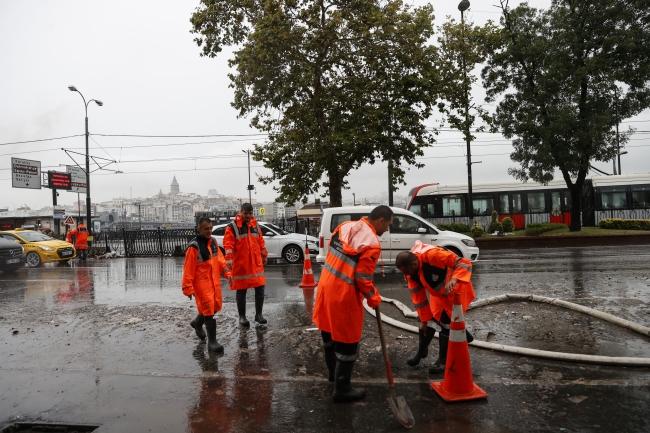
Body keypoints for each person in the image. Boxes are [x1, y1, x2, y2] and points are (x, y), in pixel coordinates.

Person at [312, 205, 393, 403]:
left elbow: (333, 252)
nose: (387, 230)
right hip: (344, 293)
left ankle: (333, 375)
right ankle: (342, 389)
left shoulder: (345, 226)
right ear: (380, 220)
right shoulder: (372, 243)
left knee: (329, 333)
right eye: (388, 225)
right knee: (348, 342)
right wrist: (374, 298)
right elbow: (363, 278)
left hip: (325, 285)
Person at [395, 241, 475, 374]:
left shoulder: (434, 255)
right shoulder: (411, 273)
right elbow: (419, 299)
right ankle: (422, 351)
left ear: (414, 264)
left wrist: (454, 279)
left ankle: (443, 361)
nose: (406, 274)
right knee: (431, 319)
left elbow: (464, 262)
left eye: (406, 271)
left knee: (446, 322)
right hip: (439, 293)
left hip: (456, 288)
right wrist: (423, 321)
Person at [182, 217, 232, 352]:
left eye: (210, 228)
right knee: (209, 310)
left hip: (214, 281)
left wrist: (227, 272)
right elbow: (188, 268)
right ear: (199, 230)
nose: (209, 231)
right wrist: (187, 288)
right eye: (206, 229)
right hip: (201, 284)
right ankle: (212, 342)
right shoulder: (194, 247)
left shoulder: (213, 242)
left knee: (215, 306)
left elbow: (220, 261)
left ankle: (197, 323)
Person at [223, 203, 269, 327]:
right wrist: (229, 259)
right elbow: (228, 244)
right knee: (241, 290)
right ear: (241, 212)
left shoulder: (255, 225)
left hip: (255, 264)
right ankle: (242, 317)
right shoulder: (232, 227)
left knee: (260, 289)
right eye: (245, 213)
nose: (248, 216)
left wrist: (264, 255)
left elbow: (260, 242)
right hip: (241, 264)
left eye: (250, 213)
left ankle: (258, 315)